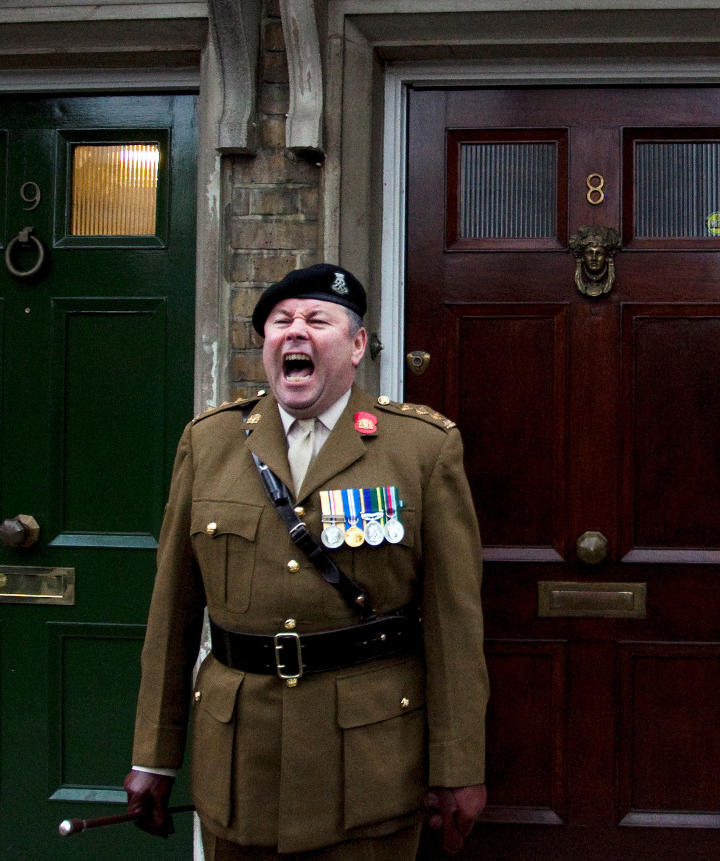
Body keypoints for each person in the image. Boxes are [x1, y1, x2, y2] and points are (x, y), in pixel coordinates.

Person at [125, 263, 489, 859]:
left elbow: (454, 624)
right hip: (240, 764)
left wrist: (459, 765)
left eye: (317, 320)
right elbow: (172, 615)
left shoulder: (420, 449)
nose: (295, 332)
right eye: (279, 323)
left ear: (357, 345)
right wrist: (153, 756)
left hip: (367, 766)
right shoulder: (209, 442)